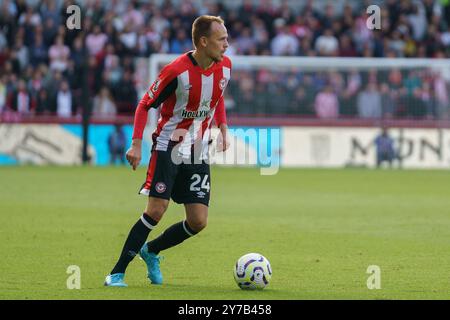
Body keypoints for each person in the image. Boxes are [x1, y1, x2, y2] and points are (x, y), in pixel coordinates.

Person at [105, 15, 231, 287]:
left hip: (197, 150)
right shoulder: (176, 72)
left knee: (198, 221)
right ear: (203, 41)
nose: (227, 45)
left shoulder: (225, 67)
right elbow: (144, 105)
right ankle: (116, 273)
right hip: (168, 147)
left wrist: (223, 126)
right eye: (222, 39)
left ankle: (151, 251)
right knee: (156, 210)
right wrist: (136, 143)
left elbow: (216, 97)